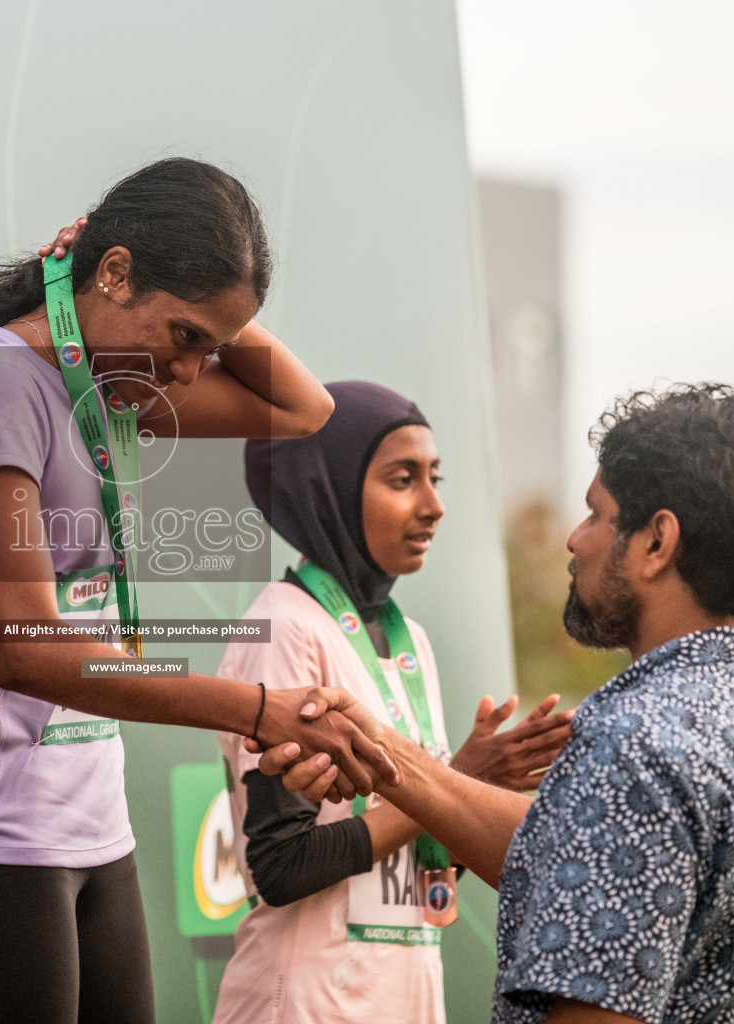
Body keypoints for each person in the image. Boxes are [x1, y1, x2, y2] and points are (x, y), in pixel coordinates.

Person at [0, 157, 396, 1024]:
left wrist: (207, 313)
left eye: (211, 348)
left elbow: (304, 411)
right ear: (114, 275)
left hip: (97, 831)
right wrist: (258, 708)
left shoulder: (113, 384)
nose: (191, 370)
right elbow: (28, 654)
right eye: (185, 337)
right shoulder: (0, 384)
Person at [254, 384, 734, 1023]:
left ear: (657, 544)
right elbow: (569, 861)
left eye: (595, 514)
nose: (574, 539)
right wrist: (396, 756)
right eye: (403, 478)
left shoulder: (635, 747)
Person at [212, 380, 572, 1024]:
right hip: (305, 1004)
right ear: (332, 488)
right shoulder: (284, 627)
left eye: (436, 477)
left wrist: (461, 802)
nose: (434, 505)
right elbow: (284, 865)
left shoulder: (411, 643)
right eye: (403, 479)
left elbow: (408, 866)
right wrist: (456, 783)